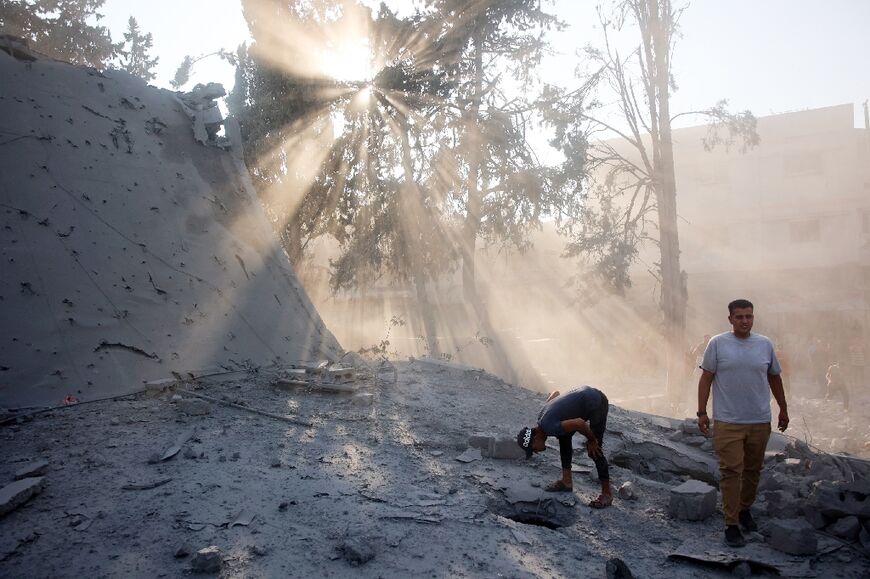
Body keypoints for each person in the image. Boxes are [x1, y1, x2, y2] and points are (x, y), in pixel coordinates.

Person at [697, 299, 789, 548]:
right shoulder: (717, 343)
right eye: (739, 317)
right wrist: (701, 412)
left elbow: (775, 378)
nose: (745, 321)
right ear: (730, 319)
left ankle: (745, 509)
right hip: (728, 420)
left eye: (749, 316)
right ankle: (731, 524)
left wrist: (783, 408)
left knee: (752, 470)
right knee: (731, 471)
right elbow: (706, 378)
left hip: (759, 419)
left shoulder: (764, 344)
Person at [516, 386, 613, 508]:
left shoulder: (549, 427)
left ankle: (607, 493)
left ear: (535, 438)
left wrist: (592, 440)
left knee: (594, 449)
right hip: (583, 396)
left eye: (533, 449)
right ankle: (567, 482)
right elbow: (555, 393)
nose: (536, 452)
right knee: (563, 436)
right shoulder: (541, 417)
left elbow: (579, 423)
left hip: (596, 401)